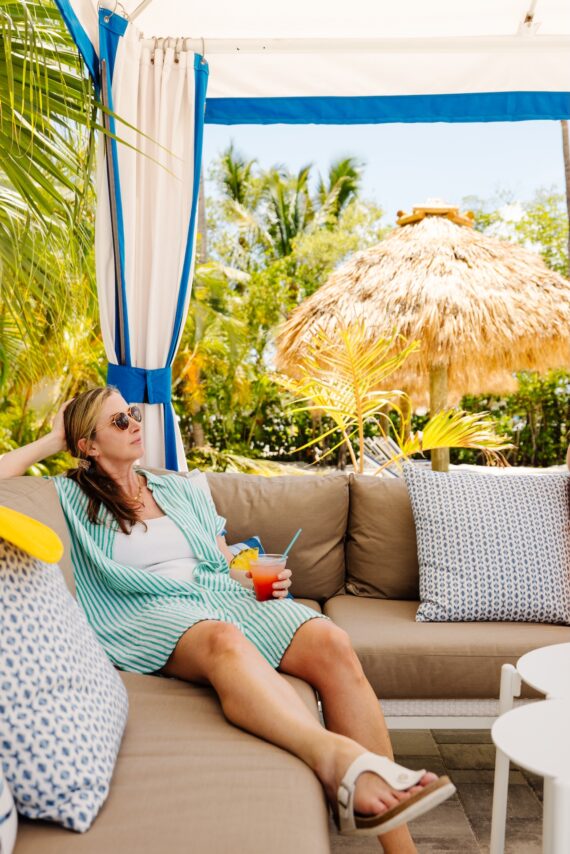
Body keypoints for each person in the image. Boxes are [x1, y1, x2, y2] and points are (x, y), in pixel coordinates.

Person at [0, 386, 455, 851]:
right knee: (224, 640)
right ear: (89, 445)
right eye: (119, 421)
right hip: (145, 608)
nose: (135, 424)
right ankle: (337, 758)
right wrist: (52, 441)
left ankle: (402, 847)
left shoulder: (176, 488)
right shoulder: (71, 496)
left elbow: (221, 564)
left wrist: (257, 582)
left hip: (215, 594)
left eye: (133, 414)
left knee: (332, 642)